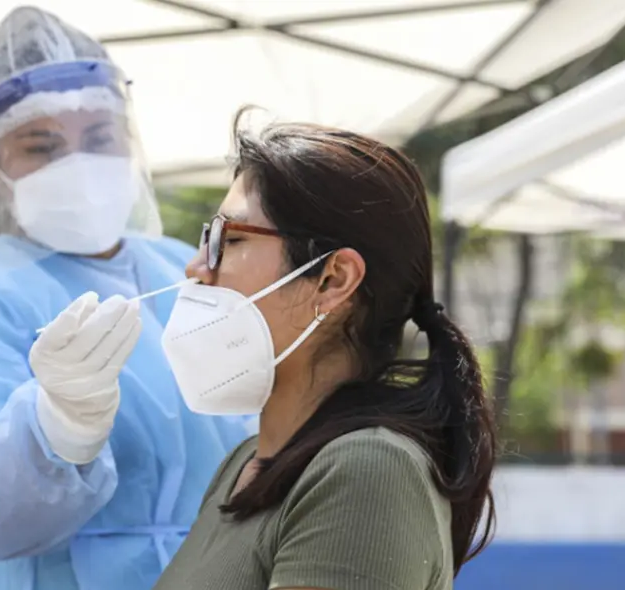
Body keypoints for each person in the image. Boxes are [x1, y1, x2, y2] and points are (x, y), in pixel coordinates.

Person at [0, 7, 249, 590]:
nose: (78, 165)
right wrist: (56, 429)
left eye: (99, 138)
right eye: (41, 146)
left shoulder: (183, 267)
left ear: (129, 142)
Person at [152, 110, 497, 590]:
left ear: (333, 280)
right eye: (207, 238)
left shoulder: (368, 469)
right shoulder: (244, 464)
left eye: (231, 240)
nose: (196, 267)